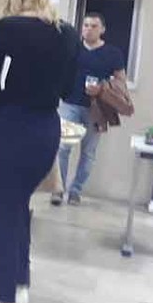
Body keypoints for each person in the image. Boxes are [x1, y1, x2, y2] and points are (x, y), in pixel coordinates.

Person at [0, 0, 77, 303]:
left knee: (5, 211)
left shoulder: (6, 29)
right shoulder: (67, 33)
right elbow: (68, 89)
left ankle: (4, 301)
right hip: (46, 128)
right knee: (20, 208)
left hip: (9, 126)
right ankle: (20, 286)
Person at [52, 12, 126, 206]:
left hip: (96, 109)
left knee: (88, 153)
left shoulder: (113, 53)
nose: (88, 29)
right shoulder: (73, 48)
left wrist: (102, 87)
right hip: (70, 104)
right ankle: (58, 190)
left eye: (94, 26)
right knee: (63, 148)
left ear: (102, 30)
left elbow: (120, 81)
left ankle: (75, 191)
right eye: (85, 25)